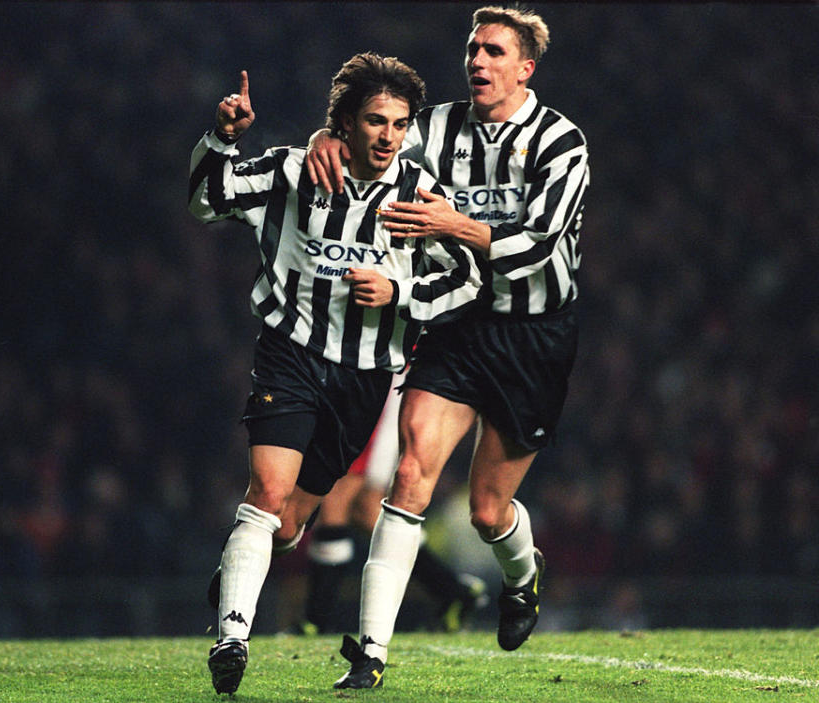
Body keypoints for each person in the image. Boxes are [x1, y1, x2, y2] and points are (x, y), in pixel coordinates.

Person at [306, 6, 590, 689]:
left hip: (534, 335)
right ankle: (371, 651)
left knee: (489, 510)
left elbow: (537, 246)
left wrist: (452, 222)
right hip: (457, 324)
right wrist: (326, 136)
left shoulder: (561, 141)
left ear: (525, 68)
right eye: (473, 49)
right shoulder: (436, 128)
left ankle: (522, 579)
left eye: (494, 51)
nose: (479, 62)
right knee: (408, 474)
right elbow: (375, 142)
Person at [188, 53, 481, 695]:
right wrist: (224, 138)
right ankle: (232, 639)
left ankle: (243, 567)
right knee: (266, 492)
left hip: (366, 377)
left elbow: (466, 279)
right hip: (290, 354)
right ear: (345, 123)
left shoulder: (420, 196)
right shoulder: (296, 171)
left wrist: (399, 291)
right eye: (376, 121)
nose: (388, 136)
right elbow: (208, 202)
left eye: (400, 124)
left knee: (289, 525)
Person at [298, 368, 488, 636]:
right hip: (361, 372)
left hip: (382, 373)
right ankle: (453, 590)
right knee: (365, 510)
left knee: (339, 494)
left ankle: (315, 621)